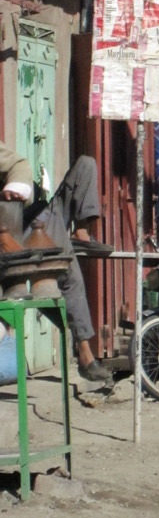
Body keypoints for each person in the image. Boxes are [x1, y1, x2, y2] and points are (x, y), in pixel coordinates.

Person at [0, 140, 112, 382]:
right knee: (68, 273)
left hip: (44, 211)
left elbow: (19, 165)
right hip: (17, 233)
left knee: (86, 164)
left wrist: (16, 186)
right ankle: (84, 352)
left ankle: (80, 230)